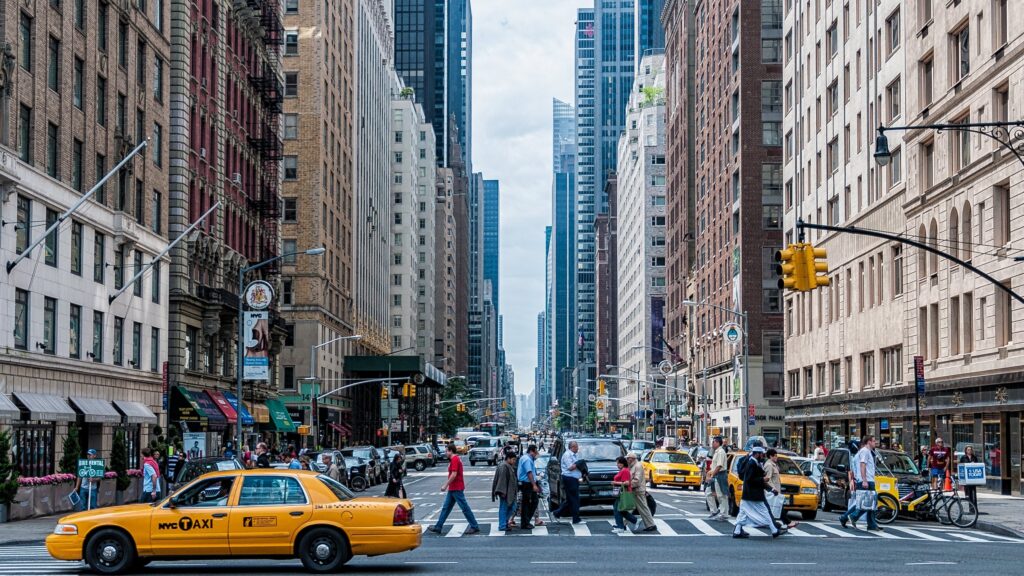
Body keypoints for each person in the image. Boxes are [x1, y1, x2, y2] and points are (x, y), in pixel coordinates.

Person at [427, 444, 480, 535]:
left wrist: (445, 485)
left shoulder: (455, 459)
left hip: (456, 487)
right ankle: (438, 526)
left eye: (446, 451)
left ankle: (474, 526)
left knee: (464, 508)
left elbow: (454, 474)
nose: (445, 453)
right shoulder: (454, 459)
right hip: (453, 488)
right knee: (446, 508)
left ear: (451, 451)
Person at [733, 447, 782, 538]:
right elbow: (750, 480)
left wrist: (771, 489)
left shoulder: (754, 463)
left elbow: (753, 479)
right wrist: (762, 479)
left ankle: (737, 531)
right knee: (764, 512)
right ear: (757, 454)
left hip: (748, 494)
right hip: (754, 495)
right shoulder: (752, 464)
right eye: (762, 454)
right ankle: (774, 530)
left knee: (743, 513)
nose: (763, 456)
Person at [847, 436, 883, 531]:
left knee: (871, 503)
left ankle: (871, 524)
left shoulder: (867, 451)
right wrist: (864, 480)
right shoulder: (865, 451)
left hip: (869, 479)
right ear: (869, 442)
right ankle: (853, 516)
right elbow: (862, 465)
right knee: (868, 502)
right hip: (867, 480)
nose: (875, 443)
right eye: (874, 441)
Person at [763, 448, 798, 530]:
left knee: (777, 507)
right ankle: (787, 522)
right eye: (775, 456)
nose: (776, 457)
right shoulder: (769, 465)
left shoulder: (773, 465)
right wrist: (772, 489)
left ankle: (782, 523)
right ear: (770, 456)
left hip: (775, 491)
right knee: (776, 507)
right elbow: (768, 479)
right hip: (772, 491)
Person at [552, 441, 582, 524]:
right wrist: (578, 464)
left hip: (574, 479)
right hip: (569, 479)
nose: (577, 448)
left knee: (570, 499)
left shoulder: (573, 455)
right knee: (574, 499)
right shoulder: (567, 455)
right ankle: (576, 518)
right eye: (576, 447)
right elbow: (570, 467)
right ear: (572, 447)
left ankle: (557, 512)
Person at [627, 452, 657, 533]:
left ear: (632, 459)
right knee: (630, 508)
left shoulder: (638, 466)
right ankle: (622, 524)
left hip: (637, 491)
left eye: (628, 458)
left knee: (641, 508)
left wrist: (628, 485)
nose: (627, 460)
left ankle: (651, 525)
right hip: (635, 490)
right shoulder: (633, 466)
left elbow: (637, 480)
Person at [610, 456, 639, 533]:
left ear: (623, 463)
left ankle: (621, 527)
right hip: (620, 492)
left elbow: (627, 483)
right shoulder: (623, 470)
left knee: (618, 509)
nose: (617, 465)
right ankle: (633, 521)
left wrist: (615, 482)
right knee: (619, 509)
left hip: (623, 493)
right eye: (617, 463)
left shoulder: (625, 471)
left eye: (619, 463)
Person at [492, 451, 519, 532]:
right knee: (504, 508)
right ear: (508, 459)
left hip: (509, 491)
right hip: (505, 492)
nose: (514, 461)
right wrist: (502, 491)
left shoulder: (507, 466)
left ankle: (505, 523)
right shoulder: (504, 466)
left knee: (512, 507)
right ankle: (502, 525)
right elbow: (502, 480)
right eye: (513, 459)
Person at [705, 436, 729, 521]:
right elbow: (714, 466)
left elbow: (719, 466)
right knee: (708, 492)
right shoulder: (716, 452)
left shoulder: (721, 452)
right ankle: (714, 511)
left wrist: (712, 475)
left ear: (718, 443)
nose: (712, 444)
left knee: (721, 495)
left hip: (720, 475)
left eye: (713, 442)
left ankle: (724, 514)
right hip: (715, 474)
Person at [517, 444, 541, 530]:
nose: (536, 454)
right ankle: (525, 522)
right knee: (528, 503)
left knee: (532, 502)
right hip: (527, 484)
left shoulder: (527, 458)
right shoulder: (527, 459)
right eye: (535, 452)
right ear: (531, 451)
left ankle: (526, 521)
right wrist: (534, 485)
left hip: (527, 483)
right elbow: (529, 472)